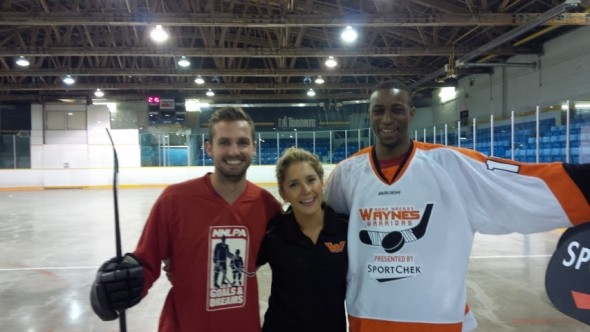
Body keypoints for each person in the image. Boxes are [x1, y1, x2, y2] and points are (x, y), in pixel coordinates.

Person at [323, 80, 590, 332]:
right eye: (379, 111)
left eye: (397, 110)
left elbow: (520, 181)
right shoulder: (347, 173)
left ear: (412, 113)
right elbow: (315, 223)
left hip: (437, 318)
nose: (387, 119)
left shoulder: (451, 164)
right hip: (368, 317)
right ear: (370, 115)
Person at [90, 107, 283, 331]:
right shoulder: (174, 200)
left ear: (253, 148)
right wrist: (120, 286)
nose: (234, 151)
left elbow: (292, 253)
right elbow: (146, 263)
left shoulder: (266, 204)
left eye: (242, 142)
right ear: (209, 148)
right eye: (224, 142)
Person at [257, 147, 348, 332]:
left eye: (311, 180)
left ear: (321, 182)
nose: (306, 190)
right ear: (283, 193)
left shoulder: (345, 228)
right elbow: (242, 271)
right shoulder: (273, 234)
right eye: (294, 185)